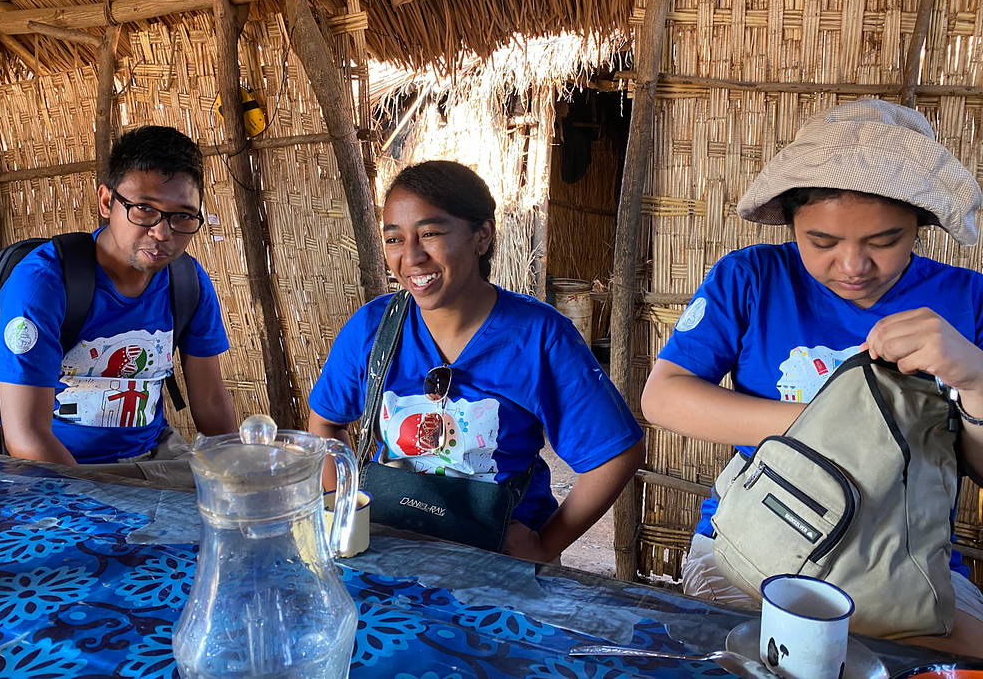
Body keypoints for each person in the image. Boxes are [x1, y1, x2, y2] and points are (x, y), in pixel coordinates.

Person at [640, 98, 983, 656]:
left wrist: (976, 380)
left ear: (920, 224)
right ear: (791, 221)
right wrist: (845, 426)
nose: (852, 266)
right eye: (821, 242)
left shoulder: (967, 302)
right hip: (758, 544)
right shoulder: (752, 279)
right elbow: (664, 397)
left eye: (884, 241)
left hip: (907, 561)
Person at [309, 160, 645, 563]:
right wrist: (344, 511)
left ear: (482, 235)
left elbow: (615, 454)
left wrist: (545, 546)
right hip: (393, 546)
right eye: (394, 239)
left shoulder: (537, 337)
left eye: (430, 233)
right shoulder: (373, 329)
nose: (411, 257)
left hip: (498, 558)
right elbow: (326, 420)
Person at [0, 125, 238, 487]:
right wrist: (103, 505)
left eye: (182, 216)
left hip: (159, 459)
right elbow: (26, 436)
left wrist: (237, 479)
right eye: (144, 209)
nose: (162, 233)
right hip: (63, 469)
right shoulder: (43, 282)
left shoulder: (187, 282)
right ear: (107, 201)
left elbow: (211, 403)